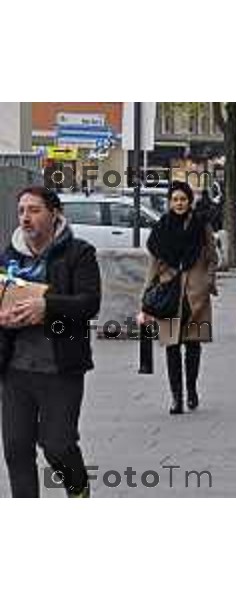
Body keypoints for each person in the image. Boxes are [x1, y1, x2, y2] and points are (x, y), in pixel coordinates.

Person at [0, 186, 101, 497]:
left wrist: (47, 307)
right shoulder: (9, 256)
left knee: (58, 445)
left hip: (60, 367)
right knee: (17, 450)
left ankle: (78, 489)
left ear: (54, 214)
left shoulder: (79, 253)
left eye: (34, 210)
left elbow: (89, 303)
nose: (26, 218)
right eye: (21, 211)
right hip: (15, 368)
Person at [138, 181, 218, 415]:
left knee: (193, 345)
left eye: (183, 199)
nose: (179, 203)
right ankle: (177, 398)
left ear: (189, 201)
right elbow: (153, 264)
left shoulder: (202, 225)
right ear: (169, 202)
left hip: (196, 295)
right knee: (171, 346)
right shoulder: (161, 228)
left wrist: (207, 281)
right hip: (168, 294)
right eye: (175, 200)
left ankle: (191, 388)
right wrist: (145, 296)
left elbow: (213, 257)